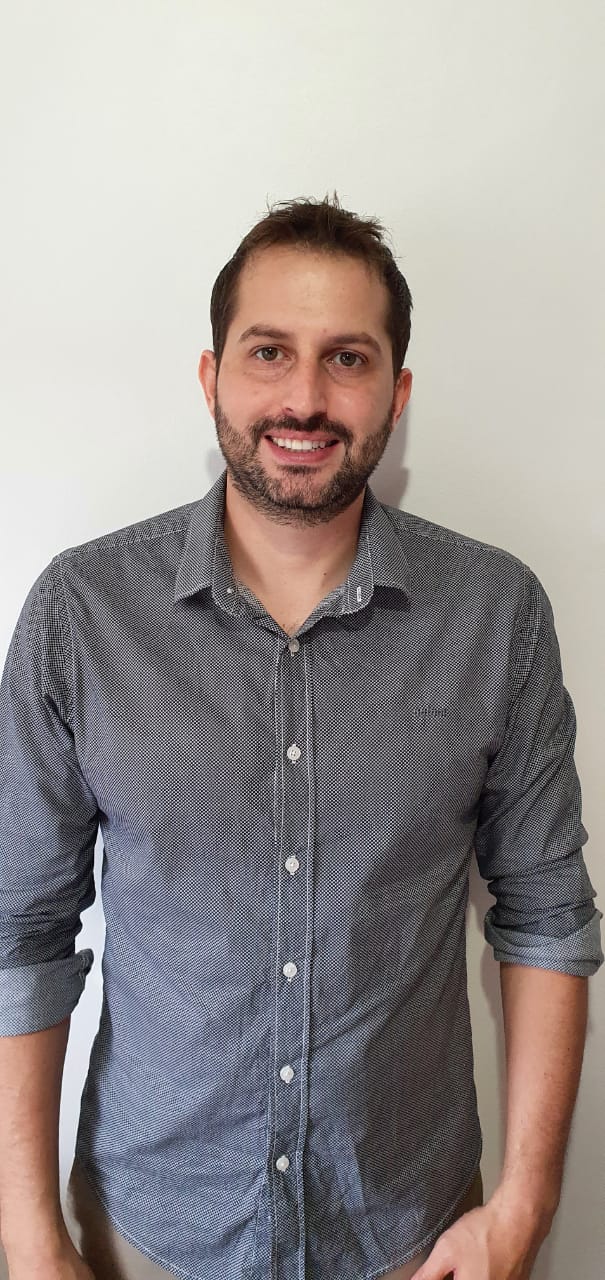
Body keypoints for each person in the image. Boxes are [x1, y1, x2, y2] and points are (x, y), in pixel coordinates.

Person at [0, 194, 602, 1280]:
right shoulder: (81, 616)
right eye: (268, 351)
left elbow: (548, 918)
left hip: (412, 1236)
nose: (304, 398)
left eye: (347, 358)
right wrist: (28, 1232)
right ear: (211, 375)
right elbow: (19, 932)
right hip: (147, 1236)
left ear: (396, 393)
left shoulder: (494, 615)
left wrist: (523, 1205)